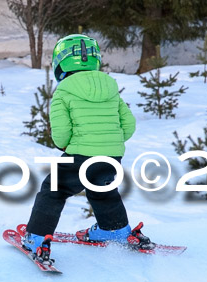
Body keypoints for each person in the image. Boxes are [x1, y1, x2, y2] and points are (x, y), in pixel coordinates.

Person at [22, 34, 152, 263]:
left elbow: (61, 134)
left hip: (80, 153)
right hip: (112, 155)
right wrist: (110, 140)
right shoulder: (110, 87)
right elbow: (129, 125)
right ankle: (115, 230)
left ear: (61, 62)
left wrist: (66, 145)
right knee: (103, 190)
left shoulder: (63, 92)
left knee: (53, 190)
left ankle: (36, 239)